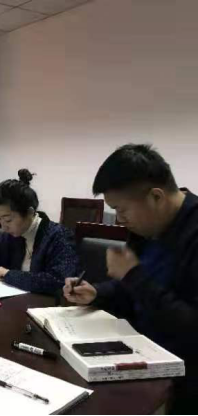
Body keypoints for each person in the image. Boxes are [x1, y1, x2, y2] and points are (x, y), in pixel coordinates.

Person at [63, 144, 198, 415]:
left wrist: (133, 276)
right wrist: (97, 293)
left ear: (156, 197)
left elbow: (191, 328)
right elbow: (131, 291)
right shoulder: (145, 228)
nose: (119, 220)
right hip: (136, 358)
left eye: (122, 210)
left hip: (181, 381)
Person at [0, 170, 79, 295]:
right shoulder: (9, 236)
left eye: (8, 220)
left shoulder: (59, 236)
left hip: (45, 304)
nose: (4, 227)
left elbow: (58, 281)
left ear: (30, 212)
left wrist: (8, 274)